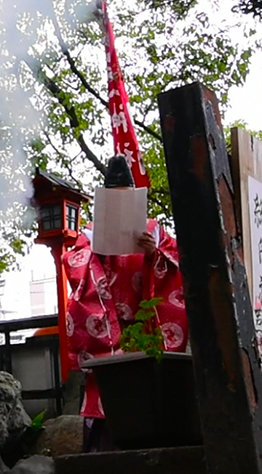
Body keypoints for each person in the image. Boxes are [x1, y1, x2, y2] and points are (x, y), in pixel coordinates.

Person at [62, 155, 189, 452]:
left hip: (142, 332)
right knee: (105, 408)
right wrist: (96, 255)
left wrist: (152, 255)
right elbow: (75, 268)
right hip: (105, 332)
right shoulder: (89, 236)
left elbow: (177, 270)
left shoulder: (154, 232)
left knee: (146, 407)